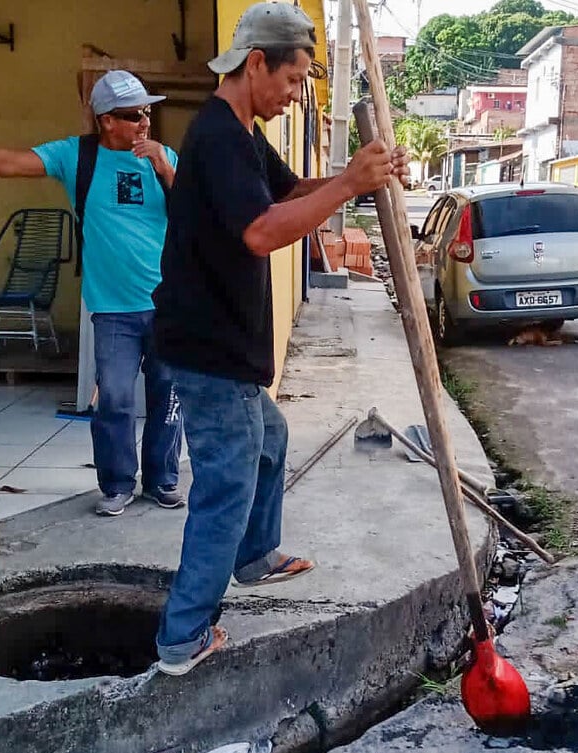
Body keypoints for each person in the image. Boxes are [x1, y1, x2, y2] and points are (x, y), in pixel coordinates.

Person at [150, 1, 409, 674]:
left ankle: (255, 555)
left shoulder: (240, 134)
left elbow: (293, 191)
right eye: (293, 81)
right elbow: (264, 230)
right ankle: (184, 637)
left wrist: (361, 175)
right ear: (255, 63)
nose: (296, 96)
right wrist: (350, 182)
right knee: (224, 487)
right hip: (210, 351)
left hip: (221, 344)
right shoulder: (214, 138)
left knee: (271, 440)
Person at [0, 70, 185, 517]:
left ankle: (162, 480)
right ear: (105, 120)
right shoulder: (76, 157)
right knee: (117, 399)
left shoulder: (164, 158)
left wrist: (163, 166)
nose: (144, 122)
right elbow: (6, 163)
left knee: (168, 397)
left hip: (169, 304)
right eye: (131, 114)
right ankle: (118, 483)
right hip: (113, 308)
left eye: (147, 111)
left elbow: (194, 213)